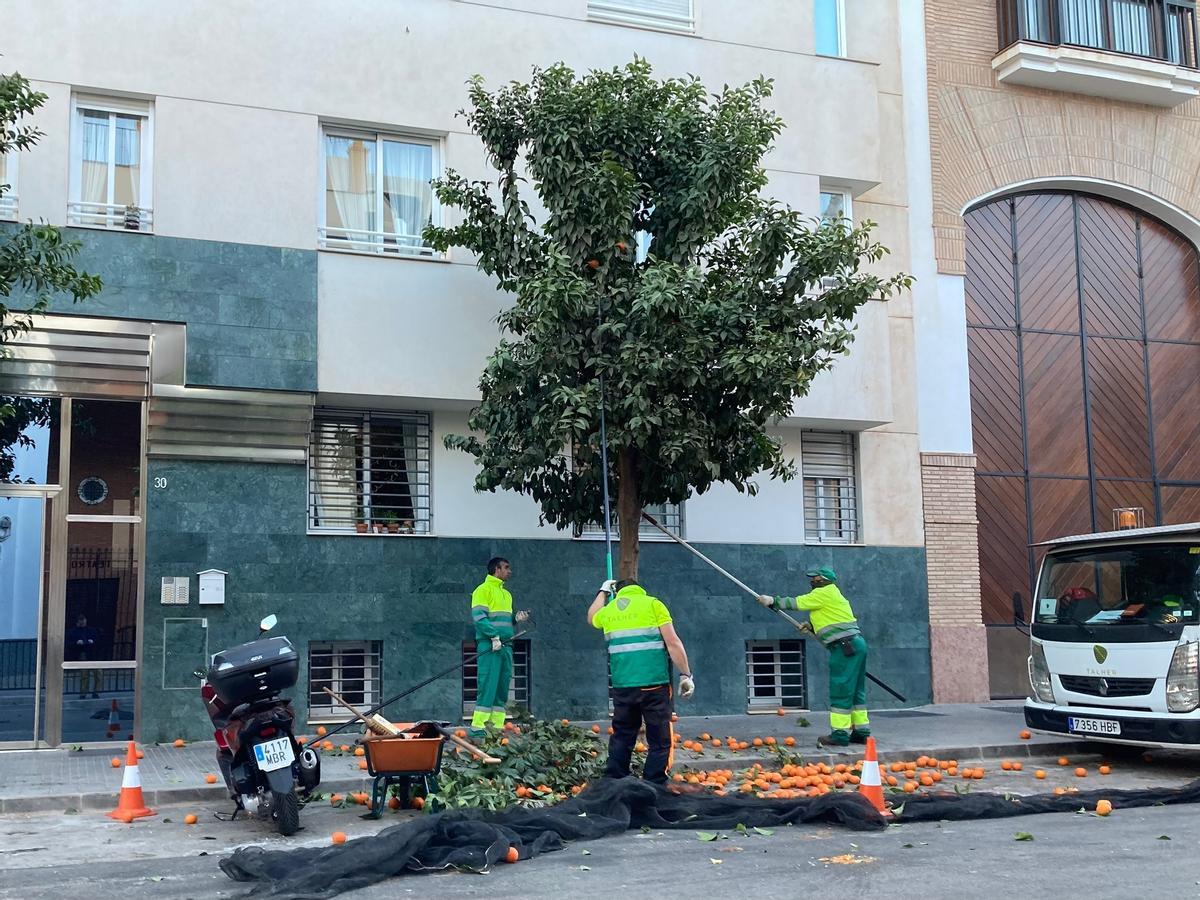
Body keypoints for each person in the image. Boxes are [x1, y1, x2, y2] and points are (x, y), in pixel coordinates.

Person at [588, 577, 694, 785]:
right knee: (659, 738)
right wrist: (685, 674)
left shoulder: (609, 611)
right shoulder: (653, 604)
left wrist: (602, 592)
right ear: (639, 589)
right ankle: (654, 784)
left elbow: (592, 618)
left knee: (623, 734)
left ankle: (615, 781)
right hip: (654, 684)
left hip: (622, 685)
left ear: (617, 591)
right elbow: (672, 643)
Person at [758, 566, 868, 748]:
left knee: (841, 689)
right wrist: (811, 626)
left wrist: (772, 601)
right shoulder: (832, 595)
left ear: (823, 579)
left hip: (844, 647)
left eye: (815, 578)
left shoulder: (825, 592)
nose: (812, 581)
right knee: (856, 690)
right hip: (854, 645)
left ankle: (840, 734)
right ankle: (862, 732)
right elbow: (830, 617)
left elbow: (797, 603)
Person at [468, 557, 528, 735]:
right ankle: (478, 729)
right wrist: (493, 636)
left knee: (501, 689)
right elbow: (479, 617)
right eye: (506, 568)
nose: (509, 571)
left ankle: (495, 728)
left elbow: (503, 620)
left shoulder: (506, 594)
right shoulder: (482, 590)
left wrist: (515, 619)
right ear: (497, 569)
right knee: (488, 685)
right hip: (490, 645)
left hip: (506, 646)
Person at [65, 613, 101, 699]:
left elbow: (98, 639)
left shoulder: (91, 630)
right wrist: (76, 643)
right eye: (80, 621)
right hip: (83, 654)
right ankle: (83, 692)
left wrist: (92, 641)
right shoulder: (73, 632)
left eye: (83, 621)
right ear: (77, 622)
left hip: (93, 654)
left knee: (98, 674)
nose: (82, 623)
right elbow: (69, 643)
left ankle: (96, 692)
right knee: (84, 674)